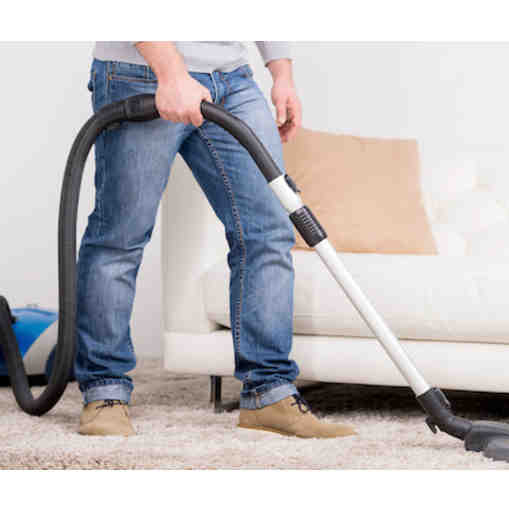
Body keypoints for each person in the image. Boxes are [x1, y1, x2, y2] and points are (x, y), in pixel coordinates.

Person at [76, 41, 355, 439]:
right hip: (140, 73)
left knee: (268, 232)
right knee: (120, 237)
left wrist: (281, 73)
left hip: (232, 79)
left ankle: (268, 393)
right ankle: (104, 392)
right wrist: (172, 74)